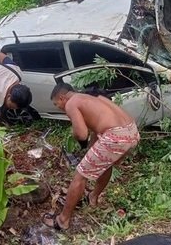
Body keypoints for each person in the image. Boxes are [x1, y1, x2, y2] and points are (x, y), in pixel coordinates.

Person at [42, 83, 140, 230]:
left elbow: (82, 134)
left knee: (80, 176)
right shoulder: (93, 97)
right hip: (131, 131)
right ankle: (92, 198)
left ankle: (63, 220)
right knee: (106, 164)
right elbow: (97, 129)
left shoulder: (71, 103)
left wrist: (75, 134)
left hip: (115, 136)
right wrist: (90, 149)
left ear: (62, 98)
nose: (59, 108)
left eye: (57, 104)